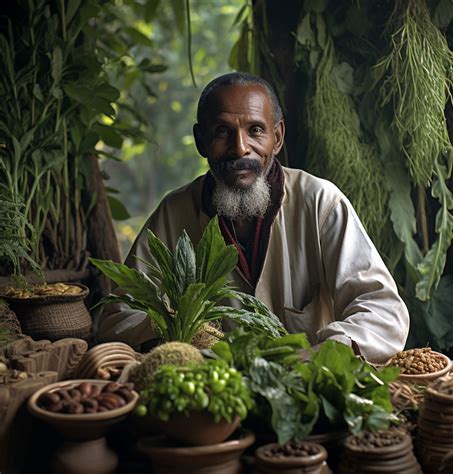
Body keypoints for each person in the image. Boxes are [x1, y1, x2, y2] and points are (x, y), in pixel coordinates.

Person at [95, 72, 409, 363]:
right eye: (222, 132)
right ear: (200, 140)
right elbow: (117, 318)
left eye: (255, 130)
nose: (240, 148)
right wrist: (181, 329)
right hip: (211, 393)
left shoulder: (320, 203)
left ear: (278, 136)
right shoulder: (173, 214)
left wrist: (320, 354)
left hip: (307, 388)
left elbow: (383, 312)